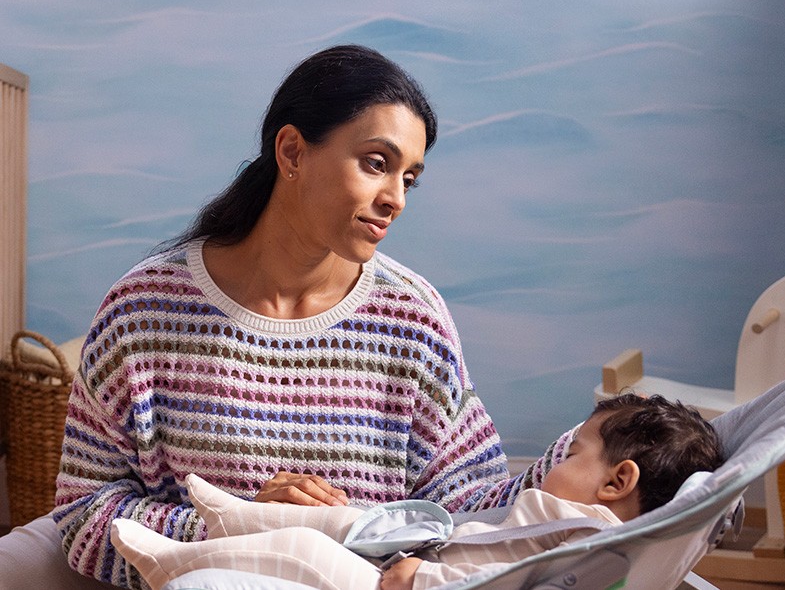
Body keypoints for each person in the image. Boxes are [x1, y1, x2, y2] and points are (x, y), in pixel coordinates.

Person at [0, 44, 566, 590]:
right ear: (292, 152)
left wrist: (583, 454)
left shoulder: (414, 320)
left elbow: (472, 509)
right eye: (377, 164)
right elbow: (83, 512)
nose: (396, 198)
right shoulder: (143, 312)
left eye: (409, 178)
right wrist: (245, 525)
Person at [108, 393, 725, 590]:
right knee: (346, 522)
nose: (555, 460)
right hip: (424, 552)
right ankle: (235, 516)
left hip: (408, 585)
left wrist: (423, 579)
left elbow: (504, 586)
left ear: (618, 481)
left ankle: (175, 561)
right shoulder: (570, 520)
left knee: (307, 551)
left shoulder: (592, 543)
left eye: (573, 453)